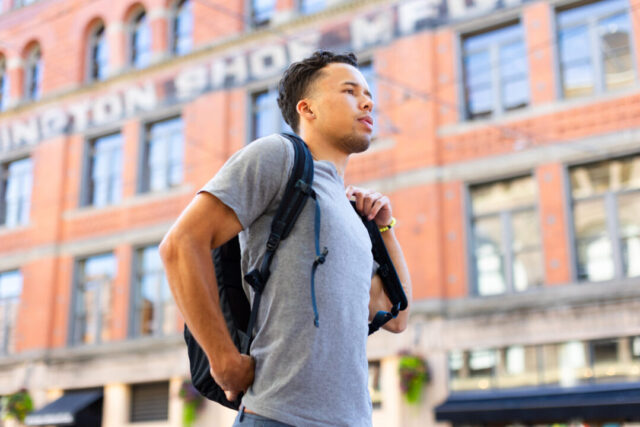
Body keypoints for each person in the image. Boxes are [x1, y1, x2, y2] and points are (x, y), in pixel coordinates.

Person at [159, 50, 412, 427]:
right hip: (279, 416)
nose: (367, 100)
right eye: (349, 91)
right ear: (307, 109)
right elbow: (180, 246)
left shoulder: (351, 211)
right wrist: (223, 359)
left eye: (368, 92)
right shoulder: (278, 156)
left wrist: (385, 230)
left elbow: (396, 316)